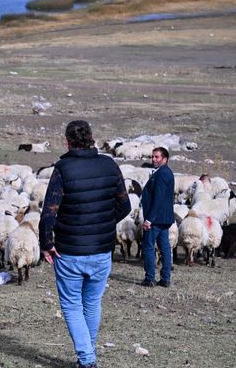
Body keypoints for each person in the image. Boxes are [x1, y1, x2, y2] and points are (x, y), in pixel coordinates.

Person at [39, 120, 131, 368]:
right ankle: (87, 355)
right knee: (92, 303)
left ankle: (87, 359)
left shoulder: (63, 169)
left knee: (71, 305)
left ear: (68, 141)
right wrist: (103, 224)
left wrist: (46, 243)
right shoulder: (109, 165)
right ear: (92, 137)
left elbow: (49, 212)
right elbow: (125, 205)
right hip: (101, 250)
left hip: (70, 251)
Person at [140, 147, 175, 287]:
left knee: (148, 246)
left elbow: (159, 198)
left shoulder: (162, 174)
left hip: (156, 219)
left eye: (157, 157)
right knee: (164, 247)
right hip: (164, 218)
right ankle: (165, 278)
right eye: (153, 157)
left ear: (165, 159)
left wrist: (149, 219)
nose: (153, 159)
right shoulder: (166, 172)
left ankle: (150, 278)